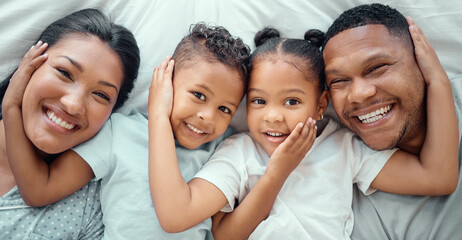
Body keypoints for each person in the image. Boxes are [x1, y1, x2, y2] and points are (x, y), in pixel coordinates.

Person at [150, 22, 457, 240]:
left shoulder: (340, 146)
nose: (273, 116)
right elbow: (186, 219)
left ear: (321, 104)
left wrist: (438, 82)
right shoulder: (239, 151)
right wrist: (159, 116)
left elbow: (438, 178)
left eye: (292, 101)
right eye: (258, 101)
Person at [6, 22, 250, 239]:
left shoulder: (223, 150)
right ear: (165, 81)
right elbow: (39, 190)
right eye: (198, 95)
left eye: (225, 109)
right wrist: (11, 108)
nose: (208, 117)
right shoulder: (119, 133)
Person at [320, 3, 460, 239]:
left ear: (420, 61)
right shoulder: (354, 205)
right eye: (339, 81)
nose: (358, 94)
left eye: (376, 68)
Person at [0, 8, 140, 239]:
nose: (74, 104)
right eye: (64, 72)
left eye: (101, 95)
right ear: (29, 64)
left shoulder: (95, 207)